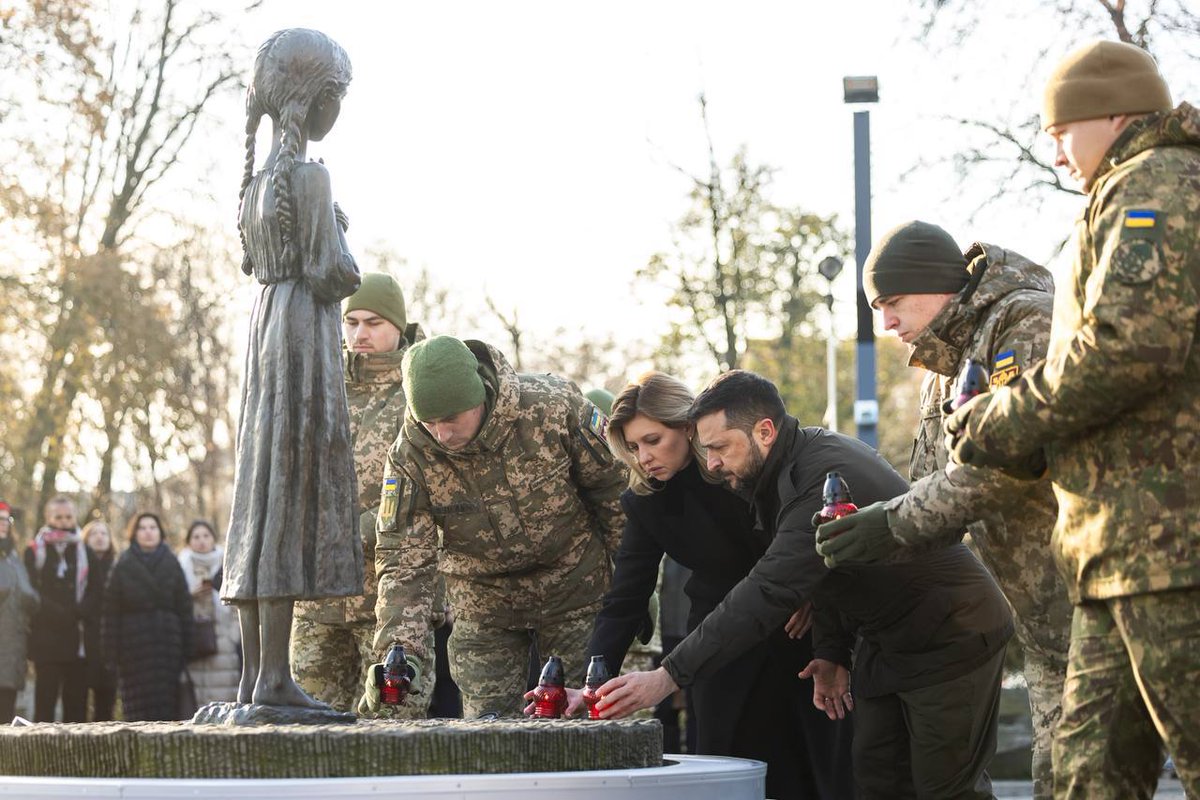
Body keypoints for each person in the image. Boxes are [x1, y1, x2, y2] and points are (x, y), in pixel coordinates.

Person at [945, 40, 1200, 798]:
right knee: (1084, 778)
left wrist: (1005, 418)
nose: (1054, 153)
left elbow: (1129, 347)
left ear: (1113, 113)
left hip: (1170, 549)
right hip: (1119, 550)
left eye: (1061, 132)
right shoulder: (1126, 191)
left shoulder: (1156, 184)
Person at [597, 370, 1015, 800]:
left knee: (944, 789)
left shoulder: (820, 475)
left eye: (719, 447)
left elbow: (774, 585)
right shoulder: (770, 472)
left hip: (947, 632)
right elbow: (831, 570)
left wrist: (668, 676)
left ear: (763, 431)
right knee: (876, 783)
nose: (714, 463)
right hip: (882, 639)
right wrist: (831, 650)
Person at [813, 221, 1073, 799]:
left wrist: (889, 524)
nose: (886, 323)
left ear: (934, 284)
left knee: (1086, 776)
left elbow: (1003, 467)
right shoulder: (940, 371)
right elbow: (934, 493)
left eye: (892, 302)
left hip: (1089, 594)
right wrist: (866, 537)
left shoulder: (1025, 321)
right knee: (1060, 778)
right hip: (1041, 619)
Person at [578, 372, 854, 800]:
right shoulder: (645, 500)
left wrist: (810, 593)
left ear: (687, 427)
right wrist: (594, 680)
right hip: (716, 642)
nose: (644, 456)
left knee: (810, 768)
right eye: (633, 447)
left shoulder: (743, 469)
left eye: (653, 439)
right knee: (723, 766)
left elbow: (808, 539)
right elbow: (625, 599)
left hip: (794, 630)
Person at [367, 335, 625, 718]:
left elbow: (615, 493)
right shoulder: (410, 455)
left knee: (586, 722)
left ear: (480, 398)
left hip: (574, 589)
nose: (441, 434)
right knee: (487, 734)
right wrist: (401, 651)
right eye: (429, 421)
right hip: (483, 605)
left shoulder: (552, 407)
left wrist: (633, 592)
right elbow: (404, 560)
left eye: (451, 419)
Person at [222, 28, 363, 708]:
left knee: (264, 492)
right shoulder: (310, 178)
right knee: (285, 495)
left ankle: (256, 677)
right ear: (316, 101)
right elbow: (332, 272)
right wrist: (339, 231)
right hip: (302, 338)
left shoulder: (255, 186)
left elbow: (263, 263)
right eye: (337, 96)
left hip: (267, 332)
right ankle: (273, 679)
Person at [292, 271, 440, 717]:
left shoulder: (422, 389)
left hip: (392, 600)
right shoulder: (318, 385)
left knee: (389, 730)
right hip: (316, 598)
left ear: (398, 325)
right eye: (351, 322)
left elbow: (439, 486)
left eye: (373, 322)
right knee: (305, 732)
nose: (360, 334)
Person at [102, 513, 193, 721]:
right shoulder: (123, 564)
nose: (148, 532)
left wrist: (188, 645)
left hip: (167, 646)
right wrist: (110, 652)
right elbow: (110, 612)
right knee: (137, 711)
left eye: (153, 527)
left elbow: (184, 607)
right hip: (133, 648)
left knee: (168, 709)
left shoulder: (172, 562)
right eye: (142, 528)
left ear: (160, 532)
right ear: (134, 533)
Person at [24, 496, 88, 722]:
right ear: (48, 517)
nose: (63, 521)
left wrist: (78, 611)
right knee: (45, 705)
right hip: (46, 639)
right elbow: (30, 590)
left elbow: (94, 589)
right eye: (58, 517)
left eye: (68, 516)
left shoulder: (83, 549)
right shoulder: (34, 551)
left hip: (77, 640)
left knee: (76, 707)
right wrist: (56, 612)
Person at [178, 520, 240, 705]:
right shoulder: (181, 566)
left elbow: (238, 604)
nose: (202, 541)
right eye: (196, 537)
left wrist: (234, 634)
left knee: (226, 695)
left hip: (225, 640)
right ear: (189, 541)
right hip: (194, 641)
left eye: (206, 536)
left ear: (213, 539)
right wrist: (190, 596)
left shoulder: (228, 564)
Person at [0, 501, 38, 723]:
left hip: (13, 652)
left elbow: (29, 597)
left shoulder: (15, 558)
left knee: (6, 717)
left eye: (6, 519)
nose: (3, 524)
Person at [81, 519, 118, 721]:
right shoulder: (78, 567)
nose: (100, 537)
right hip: (83, 641)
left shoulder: (118, 567)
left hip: (109, 641)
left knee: (106, 704)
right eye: (94, 533)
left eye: (104, 533)